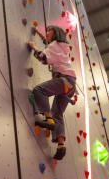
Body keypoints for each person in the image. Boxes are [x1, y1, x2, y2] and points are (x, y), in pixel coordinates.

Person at [28, 25, 76, 161]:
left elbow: (44, 58)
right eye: (47, 30)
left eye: (50, 31)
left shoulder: (54, 45)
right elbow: (49, 44)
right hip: (71, 83)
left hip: (64, 80)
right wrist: (38, 33)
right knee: (58, 113)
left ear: (56, 33)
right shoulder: (62, 45)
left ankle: (48, 120)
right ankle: (61, 146)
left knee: (39, 90)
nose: (47, 33)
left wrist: (33, 48)